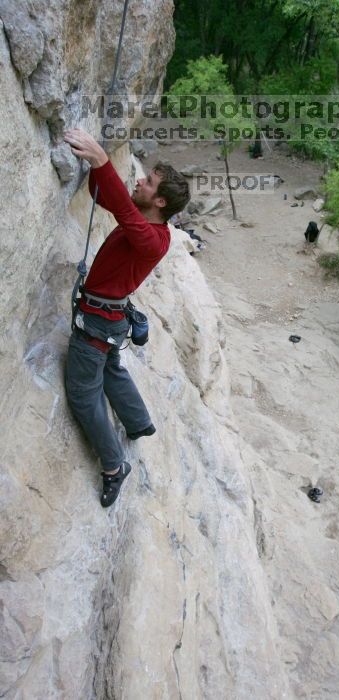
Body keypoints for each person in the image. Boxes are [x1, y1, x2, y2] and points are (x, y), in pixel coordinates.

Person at [63, 128, 190, 507]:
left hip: (99, 322)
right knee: (112, 369)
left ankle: (114, 466)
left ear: (160, 200)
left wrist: (103, 160)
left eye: (148, 182)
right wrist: (97, 169)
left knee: (85, 396)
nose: (139, 179)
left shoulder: (151, 237)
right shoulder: (152, 225)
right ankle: (138, 423)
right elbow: (104, 197)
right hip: (111, 319)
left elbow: (119, 207)